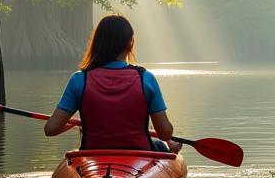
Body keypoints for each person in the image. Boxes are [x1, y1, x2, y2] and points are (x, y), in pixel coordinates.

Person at [43, 14, 181, 152]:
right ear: (130, 44)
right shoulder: (146, 78)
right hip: (139, 155)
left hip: (93, 157)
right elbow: (165, 133)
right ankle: (172, 148)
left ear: (97, 43)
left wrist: (77, 122)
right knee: (160, 145)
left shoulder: (79, 79)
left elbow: (50, 129)